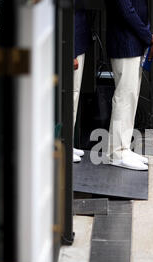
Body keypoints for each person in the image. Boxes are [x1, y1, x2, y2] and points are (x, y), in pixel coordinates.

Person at [105, 0, 153, 171]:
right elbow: (126, 10)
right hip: (125, 42)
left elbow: (140, 8)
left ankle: (124, 148)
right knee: (124, 98)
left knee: (130, 97)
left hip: (133, 43)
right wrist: (147, 36)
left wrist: (145, 36)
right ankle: (117, 153)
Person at [73, 8, 92, 163]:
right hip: (73, 45)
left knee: (75, 95)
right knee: (71, 96)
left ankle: (67, 144)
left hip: (79, 41)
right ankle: (63, 144)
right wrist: (71, 53)